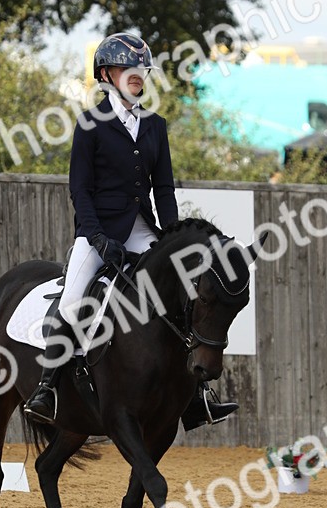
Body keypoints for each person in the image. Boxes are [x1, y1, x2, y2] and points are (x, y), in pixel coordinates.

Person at [23, 32, 238, 430]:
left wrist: (173, 238)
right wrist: (97, 237)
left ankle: (196, 398)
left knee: (183, 294)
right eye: (128, 69)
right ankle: (48, 389)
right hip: (98, 232)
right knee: (73, 301)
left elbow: (164, 189)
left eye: (141, 69)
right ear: (108, 74)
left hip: (141, 229)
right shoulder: (91, 124)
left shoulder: (155, 125)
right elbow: (80, 189)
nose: (138, 75)